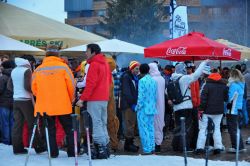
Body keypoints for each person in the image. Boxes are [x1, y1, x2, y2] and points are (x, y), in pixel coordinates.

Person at [32, 45, 75, 158]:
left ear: (46, 54)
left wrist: (43, 96)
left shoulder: (38, 69)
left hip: (45, 106)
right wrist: (70, 99)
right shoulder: (64, 67)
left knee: (49, 130)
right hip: (63, 104)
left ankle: (53, 153)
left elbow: (34, 88)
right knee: (69, 129)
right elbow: (71, 86)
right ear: (58, 54)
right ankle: (72, 152)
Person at [76, 44, 111, 159]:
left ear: (93, 52)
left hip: (95, 98)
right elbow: (109, 81)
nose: (85, 53)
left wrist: (82, 99)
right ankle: (106, 147)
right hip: (104, 98)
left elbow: (90, 84)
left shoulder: (94, 65)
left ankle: (99, 148)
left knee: (96, 123)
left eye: (87, 51)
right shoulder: (105, 63)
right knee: (102, 122)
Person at [168, 60, 209, 152]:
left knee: (178, 126)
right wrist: (204, 63)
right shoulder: (184, 78)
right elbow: (196, 75)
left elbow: (167, 92)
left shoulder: (172, 79)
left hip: (176, 108)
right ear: (183, 70)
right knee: (186, 128)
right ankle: (184, 147)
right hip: (186, 106)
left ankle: (176, 146)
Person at [9, 57, 45, 155]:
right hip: (26, 101)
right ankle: (39, 147)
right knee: (32, 124)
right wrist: (35, 91)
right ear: (27, 63)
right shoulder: (27, 70)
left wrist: (17, 92)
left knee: (17, 125)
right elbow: (27, 86)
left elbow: (9, 86)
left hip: (16, 100)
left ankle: (17, 148)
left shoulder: (14, 70)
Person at [196, 72, 228, 154]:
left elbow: (203, 99)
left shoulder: (207, 85)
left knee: (203, 129)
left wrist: (201, 109)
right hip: (219, 111)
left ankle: (200, 147)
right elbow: (226, 98)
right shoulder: (224, 86)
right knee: (217, 129)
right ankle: (218, 147)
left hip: (207, 111)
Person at [135, 64, 157, 154]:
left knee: (143, 129)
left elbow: (141, 96)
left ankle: (147, 149)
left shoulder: (142, 81)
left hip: (143, 109)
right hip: (152, 108)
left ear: (140, 70)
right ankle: (152, 147)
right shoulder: (153, 81)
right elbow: (155, 96)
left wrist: (137, 107)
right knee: (151, 128)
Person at [120, 61, 140, 152]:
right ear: (131, 68)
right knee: (129, 124)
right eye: (136, 69)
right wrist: (132, 103)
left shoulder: (133, 77)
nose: (138, 70)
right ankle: (128, 145)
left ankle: (130, 143)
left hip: (132, 104)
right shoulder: (126, 77)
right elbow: (127, 92)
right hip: (128, 105)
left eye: (138, 69)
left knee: (131, 123)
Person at [226, 69, 246, 152]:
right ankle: (240, 146)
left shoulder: (233, 85)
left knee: (232, 129)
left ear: (232, 76)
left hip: (232, 109)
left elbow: (229, 97)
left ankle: (236, 147)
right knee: (236, 128)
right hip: (238, 108)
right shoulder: (241, 84)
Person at [148, 62, 165, 153]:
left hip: (153, 104)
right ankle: (159, 143)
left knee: (153, 123)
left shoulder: (151, 79)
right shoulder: (162, 78)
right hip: (161, 104)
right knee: (160, 123)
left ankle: (155, 144)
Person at [0, 60, 15, 145]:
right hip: (13, 103)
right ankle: (13, 141)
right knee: (12, 122)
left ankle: (6, 141)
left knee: (4, 123)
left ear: (4, 67)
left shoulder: (3, 78)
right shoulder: (14, 76)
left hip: (3, 103)